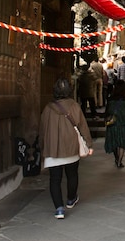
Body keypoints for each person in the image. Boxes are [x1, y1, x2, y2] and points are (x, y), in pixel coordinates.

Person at [39, 77, 94, 219]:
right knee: (72, 174)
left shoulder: (47, 109)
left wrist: (42, 146)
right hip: (71, 145)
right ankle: (71, 199)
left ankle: (59, 209)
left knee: (55, 179)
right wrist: (88, 144)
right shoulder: (74, 106)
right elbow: (83, 126)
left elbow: (42, 129)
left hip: (52, 147)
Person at [104, 80, 125, 167]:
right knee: (122, 143)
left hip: (112, 124)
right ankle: (119, 160)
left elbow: (107, 112)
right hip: (123, 123)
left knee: (114, 141)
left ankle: (116, 158)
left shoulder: (110, 99)